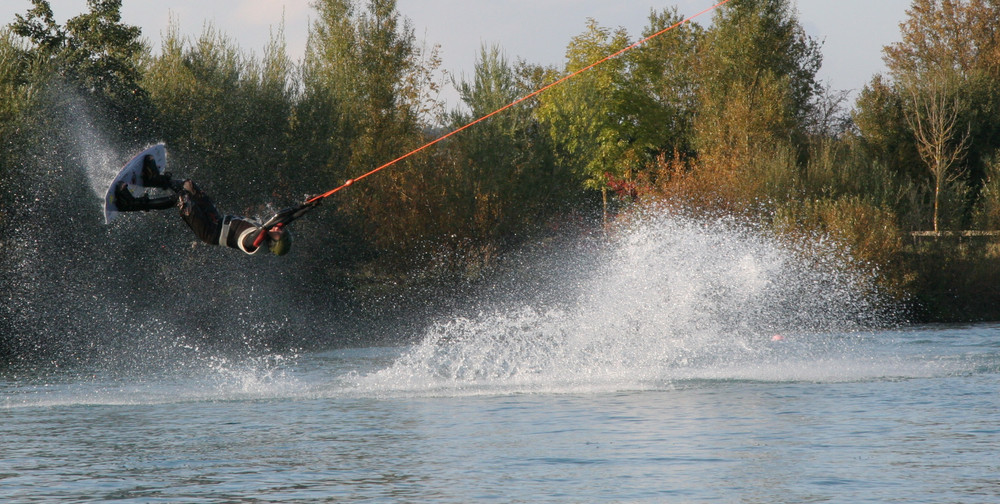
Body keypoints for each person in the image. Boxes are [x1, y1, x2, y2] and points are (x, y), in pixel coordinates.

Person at [114, 155, 293, 256]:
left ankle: (130, 204)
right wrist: (311, 204)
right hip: (214, 217)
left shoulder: (252, 244)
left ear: (274, 242)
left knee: (181, 199)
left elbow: (262, 233)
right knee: (188, 186)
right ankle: (152, 179)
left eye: (280, 232)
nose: (280, 227)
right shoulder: (267, 229)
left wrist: (272, 224)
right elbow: (286, 216)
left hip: (208, 230)